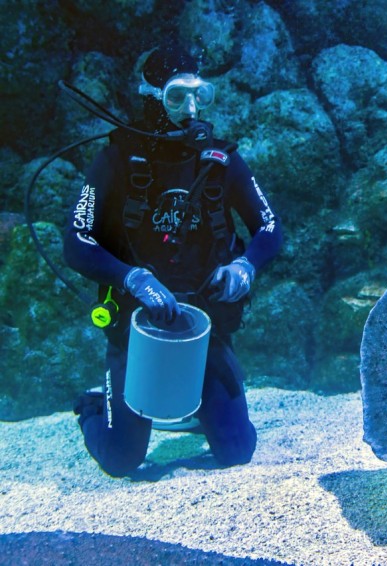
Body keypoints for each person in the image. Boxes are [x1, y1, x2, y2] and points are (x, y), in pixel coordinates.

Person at [64, 43, 283, 477]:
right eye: (178, 95)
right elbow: (76, 241)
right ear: (151, 97)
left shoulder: (222, 161)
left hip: (206, 327)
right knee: (121, 460)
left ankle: (197, 408)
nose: (192, 108)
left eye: (201, 94)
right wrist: (130, 278)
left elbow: (270, 227)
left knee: (238, 450)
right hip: (136, 331)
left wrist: (246, 267)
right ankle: (93, 406)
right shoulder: (116, 160)